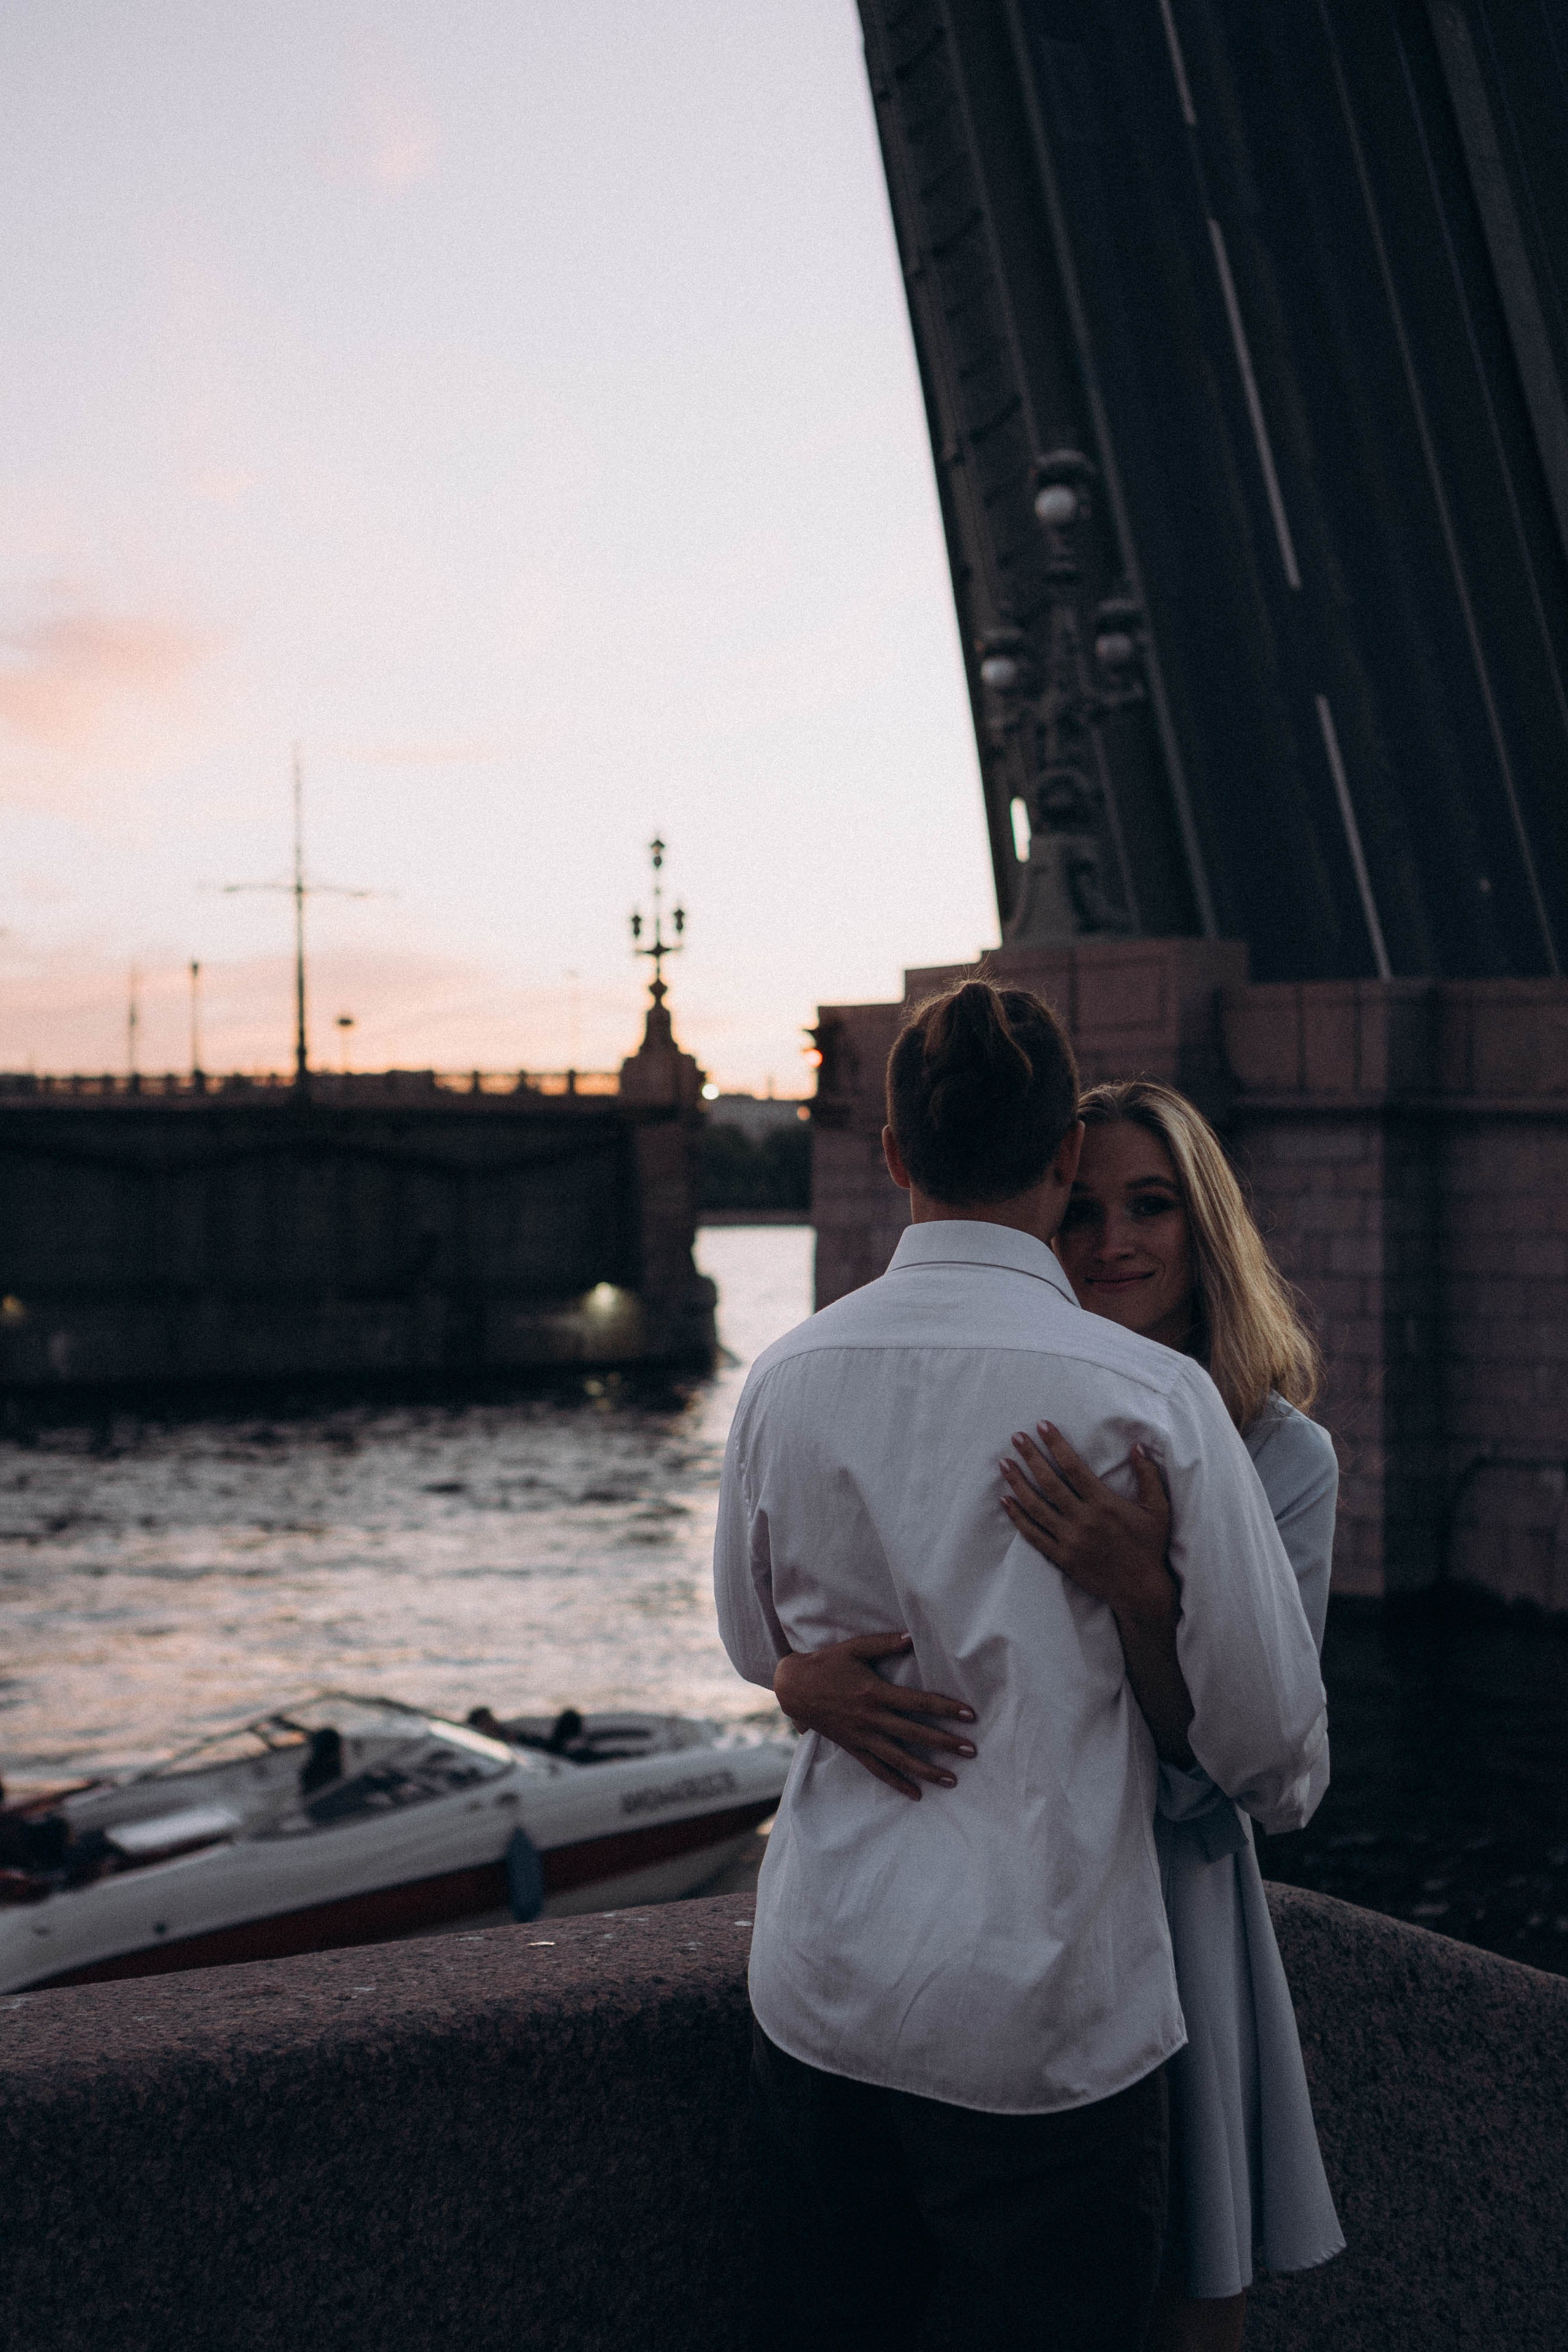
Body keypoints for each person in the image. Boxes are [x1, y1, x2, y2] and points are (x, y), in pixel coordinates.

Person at [714, 985, 1327, 2352]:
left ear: (890, 1156)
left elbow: (758, 1646)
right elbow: (1274, 1766)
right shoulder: (1149, 1402)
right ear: (1059, 1159)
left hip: (818, 1994)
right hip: (1042, 2021)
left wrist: (814, 1682)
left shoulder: (784, 1377)